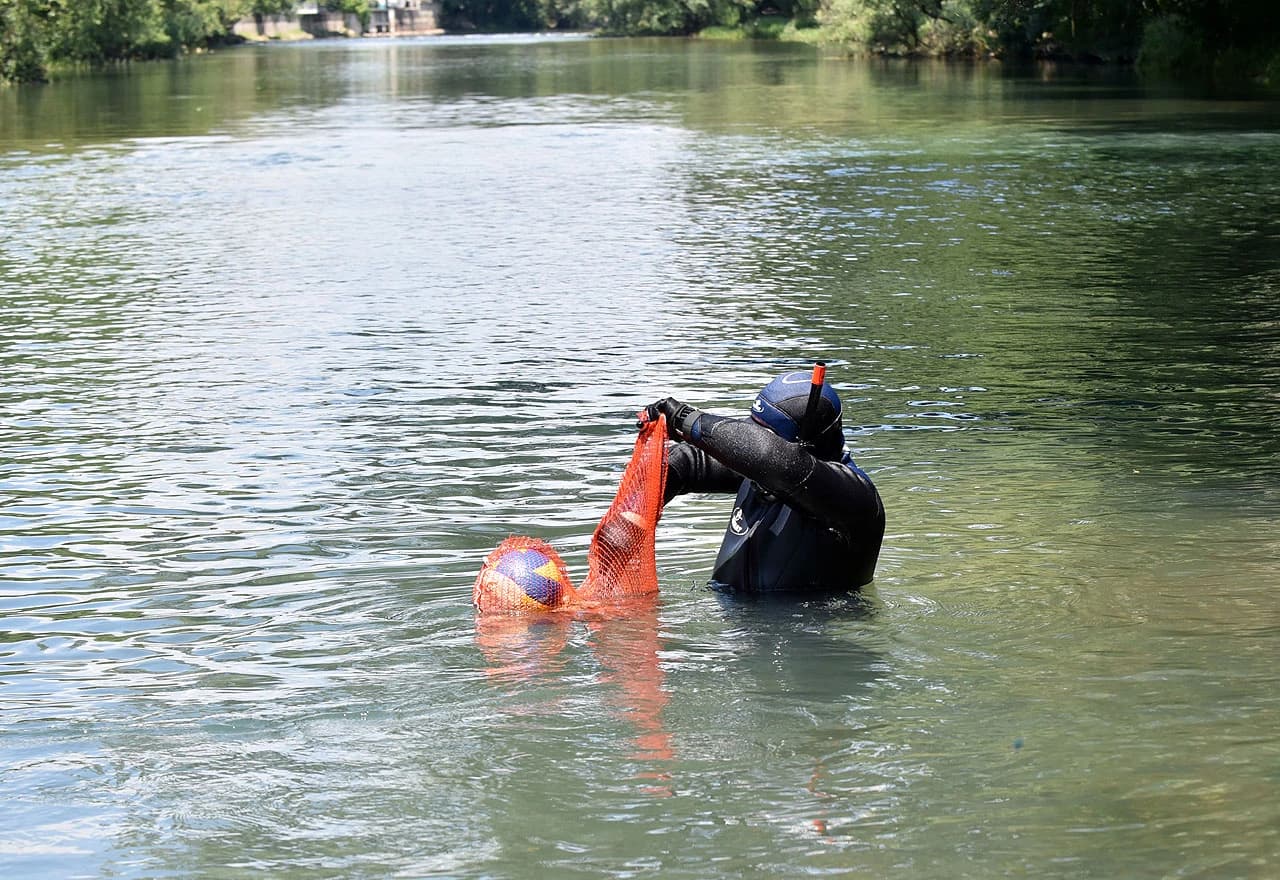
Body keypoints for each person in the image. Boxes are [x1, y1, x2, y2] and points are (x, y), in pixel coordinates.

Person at [641, 369, 884, 593]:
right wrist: (637, 510)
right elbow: (689, 463)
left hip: (809, 636)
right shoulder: (759, 468)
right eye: (752, 429)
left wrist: (687, 419)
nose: (746, 444)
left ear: (804, 445)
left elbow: (771, 458)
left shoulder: (856, 501)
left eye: (762, 434)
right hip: (732, 627)